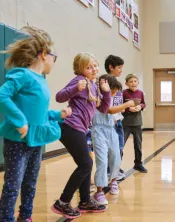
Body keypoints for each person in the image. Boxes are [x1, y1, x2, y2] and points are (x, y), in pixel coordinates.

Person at [0, 25, 71, 222]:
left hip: (36, 141)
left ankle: (25, 216)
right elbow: (1, 96)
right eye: (54, 56)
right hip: (17, 140)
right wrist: (19, 120)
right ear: (44, 54)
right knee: (13, 184)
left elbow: (40, 113)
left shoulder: (41, 80)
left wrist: (57, 115)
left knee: (30, 182)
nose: (54, 61)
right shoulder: (23, 75)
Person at [51, 53, 111, 219]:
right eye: (88, 67)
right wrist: (75, 88)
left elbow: (103, 109)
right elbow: (59, 96)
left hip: (80, 129)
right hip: (70, 126)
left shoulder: (93, 85)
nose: (93, 69)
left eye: (95, 65)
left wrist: (106, 93)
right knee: (85, 164)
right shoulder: (79, 81)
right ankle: (63, 202)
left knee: (87, 163)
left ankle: (85, 200)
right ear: (81, 69)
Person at [92, 74, 134, 205]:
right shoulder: (97, 98)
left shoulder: (112, 98)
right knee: (102, 161)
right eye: (113, 92)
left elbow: (115, 114)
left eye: (116, 92)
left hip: (111, 129)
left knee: (116, 157)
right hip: (98, 130)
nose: (114, 94)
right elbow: (109, 110)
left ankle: (113, 181)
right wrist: (128, 104)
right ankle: (99, 191)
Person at [122, 74, 147, 173]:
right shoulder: (123, 93)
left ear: (138, 83)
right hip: (125, 123)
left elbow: (144, 103)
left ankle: (138, 164)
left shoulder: (140, 93)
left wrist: (140, 106)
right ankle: (117, 166)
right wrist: (129, 108)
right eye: (131, 81)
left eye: (135, 81)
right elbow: (120, 105)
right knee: (121, 145)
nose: (133, 83)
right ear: (127, 83)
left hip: (137, 123)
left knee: (138, 145)